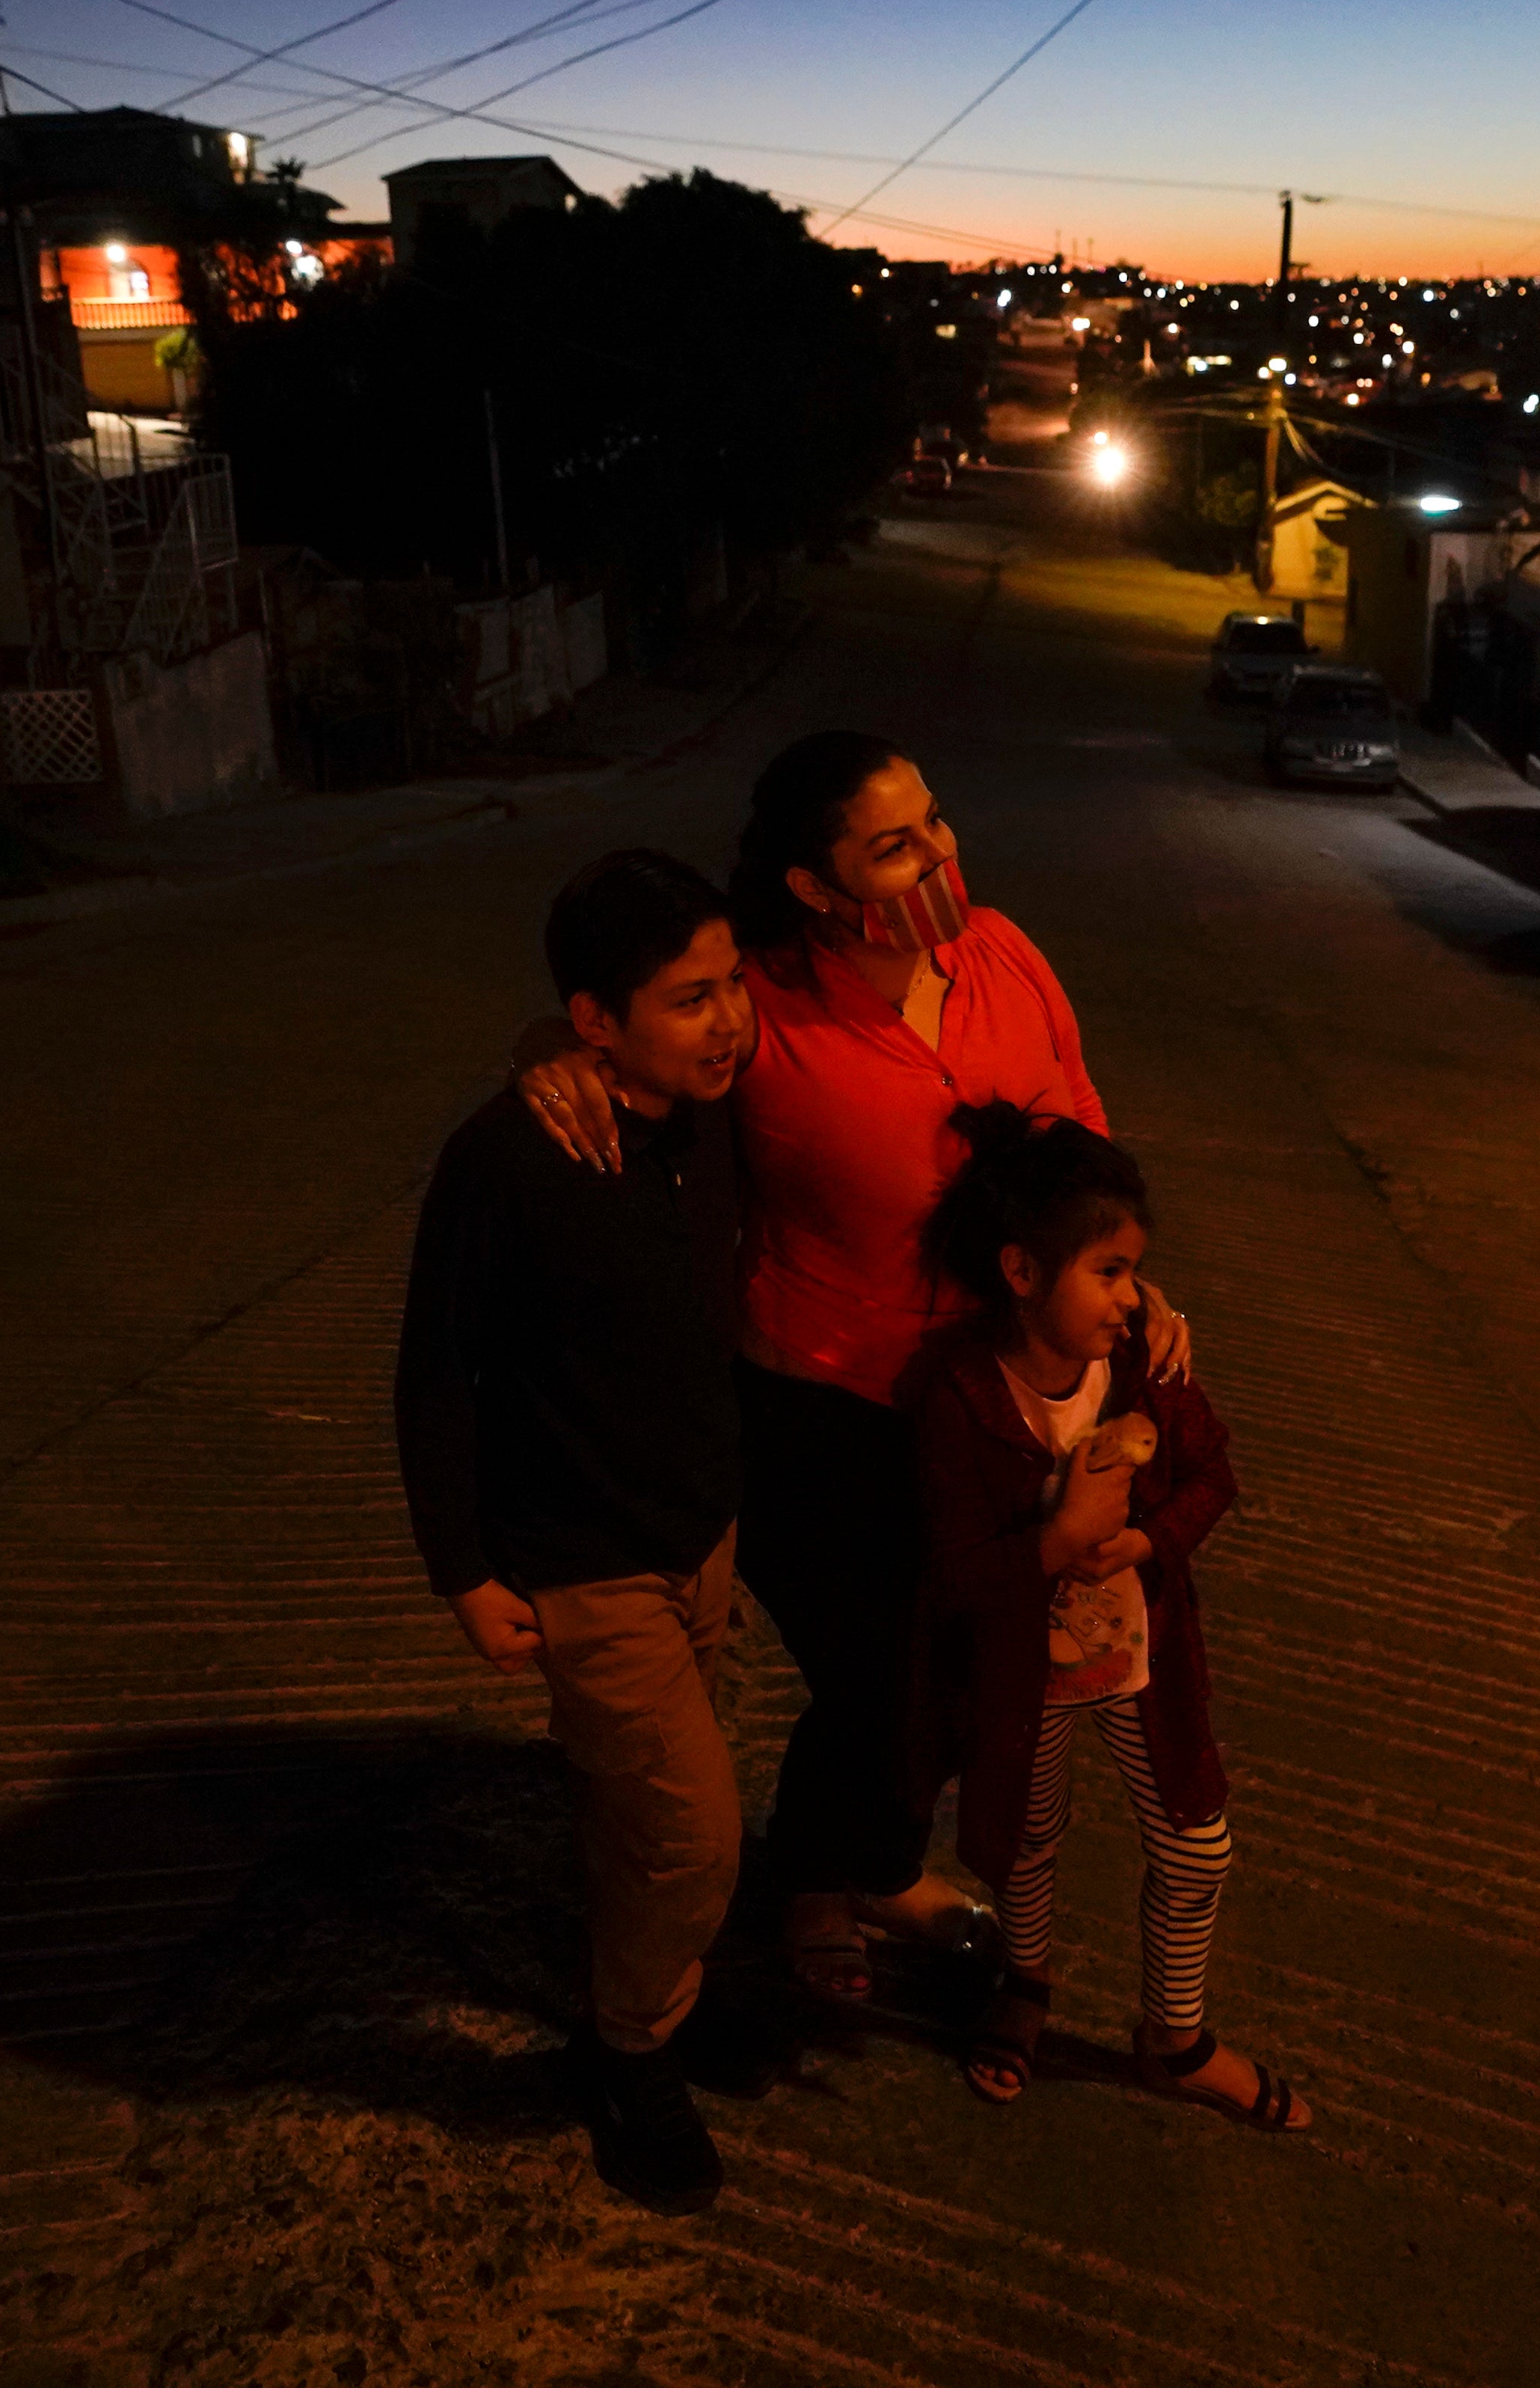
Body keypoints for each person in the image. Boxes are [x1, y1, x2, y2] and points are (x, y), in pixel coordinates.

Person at [522, 732, 1111, 2004]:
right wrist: (554, 1062)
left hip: (992, 1399)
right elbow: (642, 1044)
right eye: (892, 845)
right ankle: (810, 1886)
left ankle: (879, 1862)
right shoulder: (766, 1007)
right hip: (824, 1404)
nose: (935, 857)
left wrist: (1125, 1280)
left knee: (961, 1675)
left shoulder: (1000, 954)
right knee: (873, 1673)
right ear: (811, 882)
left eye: (935, 823)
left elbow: (1079, 1121)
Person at [394, 850, 755, 2213]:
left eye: (732, 989)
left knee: (631, 1814)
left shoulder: (705, 1115)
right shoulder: (509, 1157)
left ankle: (648, 2002)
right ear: (598, 1020)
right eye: (688, 1000)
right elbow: (437, 1370)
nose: (728, 1024)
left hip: (699, 1535)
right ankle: (629, 2059)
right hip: (582, 1559)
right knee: (698, 1834)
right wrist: (466, 1570)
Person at [912, 1103, 1310, 2131]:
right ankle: (1026, 1987)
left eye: (1134, 1271)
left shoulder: (1142, 1365)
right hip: (1020, 1674)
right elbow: (949, 1576)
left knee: (1197, 1846)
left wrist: (1146, 1541)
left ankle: (1174, 2039)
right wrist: (1054, 1539)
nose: (1134, 1296)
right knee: (1026, 1837)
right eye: (1111, 1271)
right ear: (1021, 1273)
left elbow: (1213, 1475)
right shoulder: (958, 1394)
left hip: (1141, 1659)